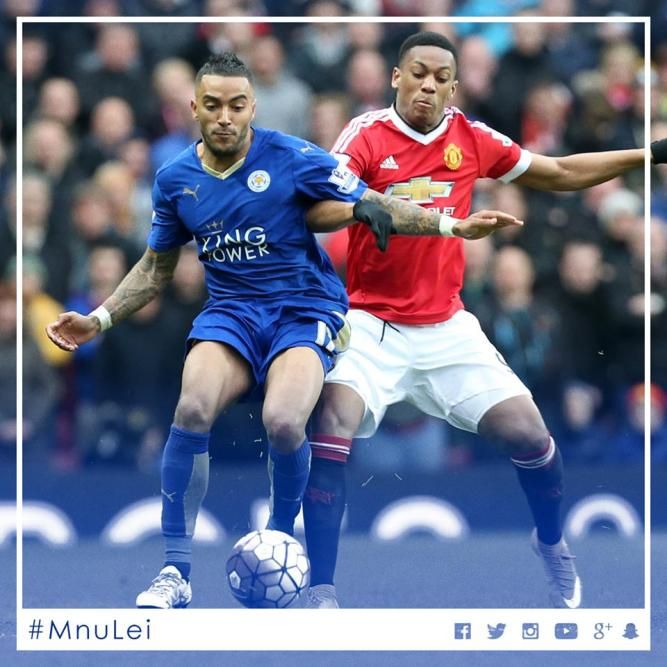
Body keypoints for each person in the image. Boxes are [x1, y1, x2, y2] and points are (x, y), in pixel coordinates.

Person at [46, 52, 520, 609]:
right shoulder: (174, 179)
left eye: (237, 105)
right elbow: (156, 268)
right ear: (193, 108)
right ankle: (175, 571)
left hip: (303, 308)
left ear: (253, 107)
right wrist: (99, 318)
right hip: (231, 313)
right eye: (213, 105)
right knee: (191, 408)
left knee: (284, 421)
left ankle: (278, 537)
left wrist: (451, 225)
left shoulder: (294, 156)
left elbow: (369, 200)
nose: (225, 117)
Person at [301, 31, 667, 610]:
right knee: (331, 423)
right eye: (418, 73)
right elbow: (318, 206)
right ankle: (321, 590)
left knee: (533, 437)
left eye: (441, 78)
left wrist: (649, 154)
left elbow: (560, 172)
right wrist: (365, 206)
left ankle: (551, 542)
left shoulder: (470, 138)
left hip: (447, 326)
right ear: (396, 77)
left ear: (454, 87)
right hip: (371, 322)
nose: (428, 85)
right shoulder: (364, 135)